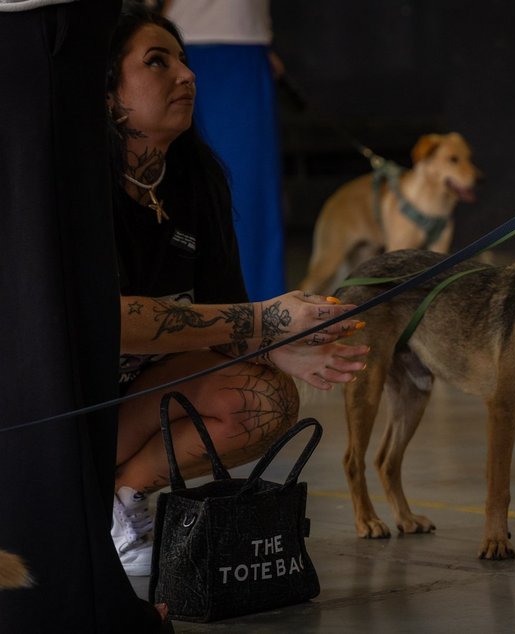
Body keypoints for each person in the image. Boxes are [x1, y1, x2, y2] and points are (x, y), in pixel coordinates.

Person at [104, 4, 369, 578]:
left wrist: (284, 344)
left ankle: (121, 499)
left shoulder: (197, 176)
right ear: (106, 93)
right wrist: (265, 321)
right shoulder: (75, 187)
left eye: (183, 60)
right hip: (64, 410)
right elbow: (113, 321)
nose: (186, 75)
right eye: (157, 62)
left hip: (137, 399)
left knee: (267, 397)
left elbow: (225, 308)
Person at [0, 0, 174, 631]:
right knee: (43, 311)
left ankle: (66, 590)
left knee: (58, 309)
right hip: (34, 26)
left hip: (61, 25)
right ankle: (49, 602)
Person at [163, 0, 288, 301]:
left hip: (233, 36)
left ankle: (256, 315)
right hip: (195, 36)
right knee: (171, 171)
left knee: (242, 186)